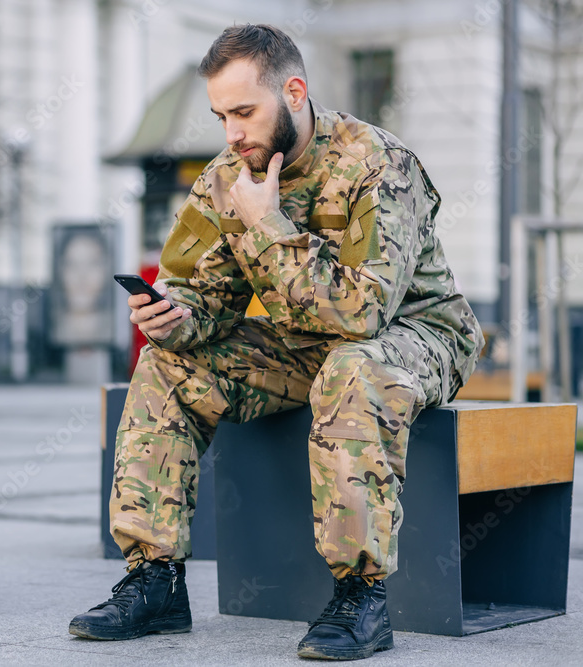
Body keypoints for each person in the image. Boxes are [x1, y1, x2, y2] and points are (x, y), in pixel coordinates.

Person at [69, 24, 483, 661]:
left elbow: (363, 315)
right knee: (165, 365)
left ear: (294, 92)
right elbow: (204, 294)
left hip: (419, 334)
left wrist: (268, 224)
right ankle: (154, 578)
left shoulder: (379, 164)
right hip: (305, 344)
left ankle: (361, 597)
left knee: (352, 368)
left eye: (244, 111)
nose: (232, 132)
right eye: (220, 115)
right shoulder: (225, 178)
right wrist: (176, 317)